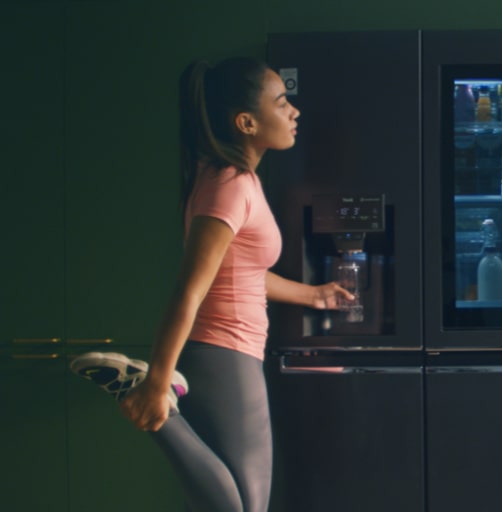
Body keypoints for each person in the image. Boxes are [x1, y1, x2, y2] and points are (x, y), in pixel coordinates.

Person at [70, 56, 352, 512]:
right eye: (282, 103)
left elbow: (240, 273)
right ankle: (152, 400)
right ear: (246, 122)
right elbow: (190, 289)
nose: (294, 112)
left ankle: (158, 400)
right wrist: (160, 378)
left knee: (241, 504)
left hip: (230, 352)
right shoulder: (230, 184)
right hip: (226, 353)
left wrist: (314, 295)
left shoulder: (237, 179)